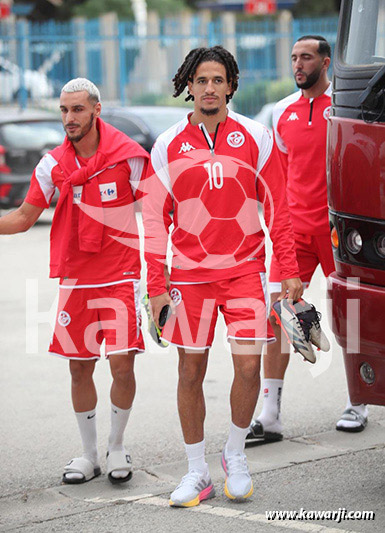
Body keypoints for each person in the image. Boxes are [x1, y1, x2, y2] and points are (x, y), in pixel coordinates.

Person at [142, 45, 302, 507]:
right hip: (189, 279)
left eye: (217, 80)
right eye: (201, 80)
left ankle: (235, 454)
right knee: (190, 369)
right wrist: (156, 287)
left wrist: (288, 270)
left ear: (231, 85)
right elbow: (154, 222)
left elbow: (279, 209)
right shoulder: (167, 145)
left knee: (250, 364)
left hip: (244, 273)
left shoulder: (257, 137)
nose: (209, 88)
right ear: (187, 86)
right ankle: (196, 471)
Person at [0, 78, 149, 484]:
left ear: (96, 111)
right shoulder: (52, 164)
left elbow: (155, 213)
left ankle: (117, 447)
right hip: (76, 279)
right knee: (79, 370)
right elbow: (23, 218)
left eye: (78, 110)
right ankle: (88, 455)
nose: (69, 118)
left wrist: (162, 270)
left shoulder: (129, 157)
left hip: (120, 275)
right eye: (64, 110)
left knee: (122, 365)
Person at [246, 36, 368, 446]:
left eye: (306, 57)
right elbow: (277, 179)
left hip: (337, 231)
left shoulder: (345, 107)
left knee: (349, 314)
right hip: (294, 231)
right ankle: (271, 414)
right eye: (294, 58)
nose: (298, 64)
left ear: (327, 62)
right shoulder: (281, 112)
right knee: (277, 315)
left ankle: (358, 402)